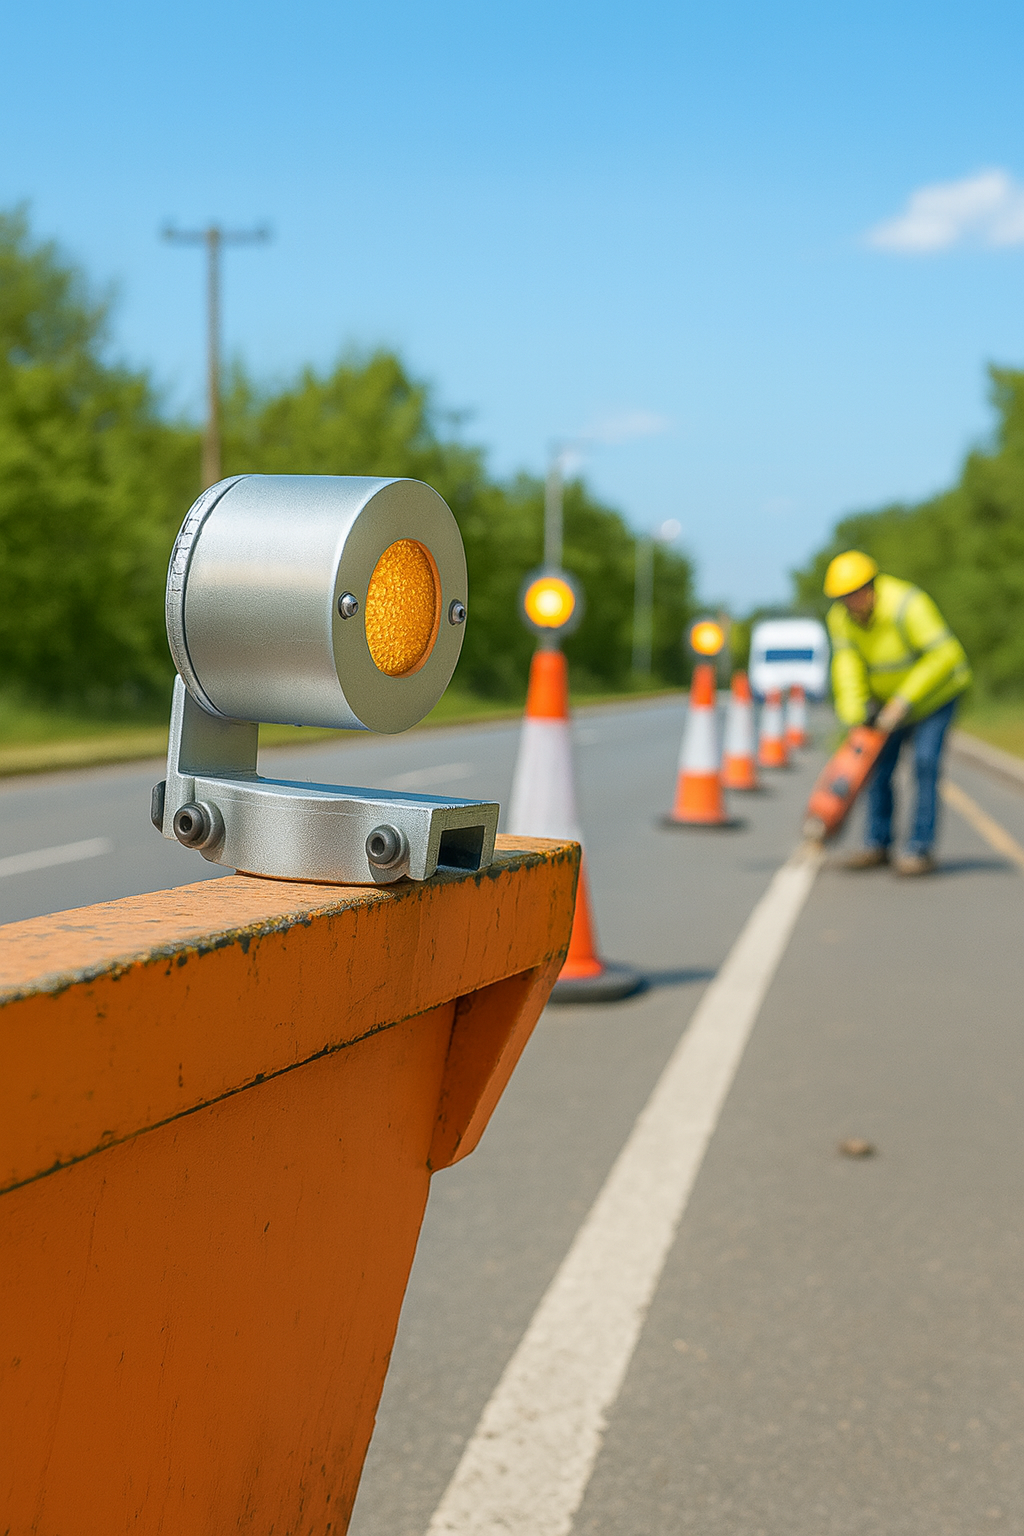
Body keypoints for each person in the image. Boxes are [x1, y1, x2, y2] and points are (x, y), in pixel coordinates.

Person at [823, 550, 971, 875]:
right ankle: (878, 844)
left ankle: (920, 850)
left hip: (934, 698)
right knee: (876, 767)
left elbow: (944, 655)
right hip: (886, 703)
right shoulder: (841, 618)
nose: (850, 603)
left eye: (854, 595)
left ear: (871, 586)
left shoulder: (908, 604)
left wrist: (904, 700)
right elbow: (846, 666)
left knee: (925, 763)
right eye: (842, 598)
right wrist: (855, 716)